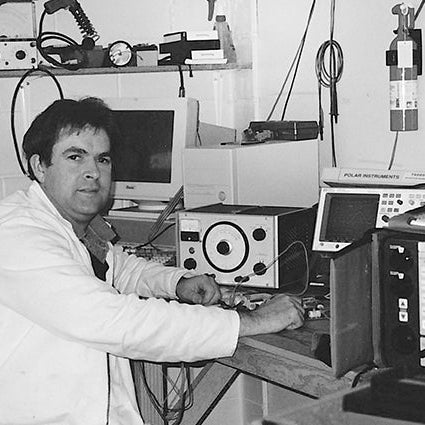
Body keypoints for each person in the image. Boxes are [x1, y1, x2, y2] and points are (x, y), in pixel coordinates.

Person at [0, 97, 304, 425]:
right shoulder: (18, 233)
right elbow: (117, 320)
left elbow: (117, 266)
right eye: (75, 157)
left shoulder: (69, 224)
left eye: (102, 159)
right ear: (39, 166)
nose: (93, 172)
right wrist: (253, 321)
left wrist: (177, 283)